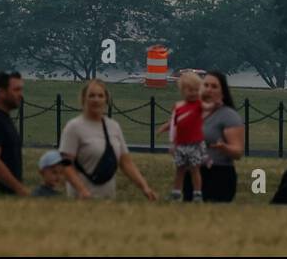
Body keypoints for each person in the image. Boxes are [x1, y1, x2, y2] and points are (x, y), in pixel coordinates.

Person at [58, 79, 156, 201]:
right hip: (81, 198)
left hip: (107, 197)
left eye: (100, 96)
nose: (96, 100)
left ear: (106, 100)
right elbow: (66, 165)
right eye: (91, 96)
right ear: (84, 99)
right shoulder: (74, 127)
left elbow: (125, 162)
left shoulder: (113, 126)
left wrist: (144, 187)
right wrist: (82, 190)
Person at [182, 70, 245, 203]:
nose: (209, 90)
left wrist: (224, 148)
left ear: (222, 92)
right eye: (206, 85)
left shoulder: (228, 116)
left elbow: (238, 151)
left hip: (218, 173)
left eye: (214, 86)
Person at [159, 71, 206, 201]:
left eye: (196, 90)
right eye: (190, 90)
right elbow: (174, 123)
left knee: (195, 169)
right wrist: (167, 131)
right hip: (180, 143)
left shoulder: (200, 106)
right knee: (179, 169)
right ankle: (176, 193)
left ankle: (197, 193)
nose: (193, 93)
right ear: (182, 91)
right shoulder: (178, 107)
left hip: (195, 143)